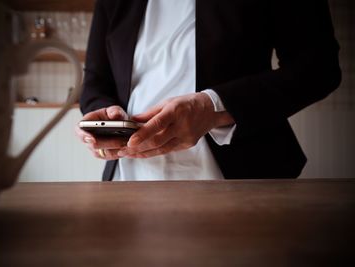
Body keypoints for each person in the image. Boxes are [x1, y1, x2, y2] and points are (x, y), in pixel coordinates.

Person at [75, 0, 341, 181]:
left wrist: (215, 107)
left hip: (242, 180)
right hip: (130, 177)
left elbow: (318, 68)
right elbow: (96, 81)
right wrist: (105, 122)